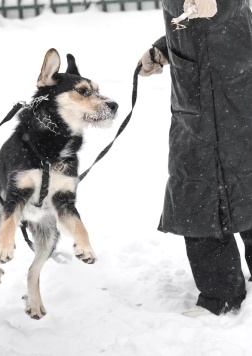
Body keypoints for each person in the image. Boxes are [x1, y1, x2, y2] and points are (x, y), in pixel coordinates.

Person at [138, 0, 252, 317]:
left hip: (235, 85)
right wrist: (165, 49)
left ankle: (223, 295)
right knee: (199, 192)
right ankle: (221, 292)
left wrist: (216, 3)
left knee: (241, 179)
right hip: (195, 94)